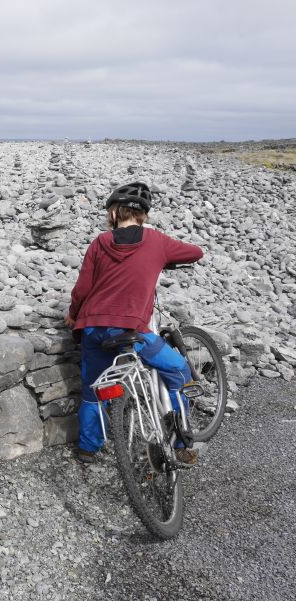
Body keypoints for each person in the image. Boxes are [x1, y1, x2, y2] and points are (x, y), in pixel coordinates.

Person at [63, 182, 203, 464]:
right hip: (132, 330)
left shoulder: (100, 243)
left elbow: (82, 289)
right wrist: (163, 260)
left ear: (113, 213)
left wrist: (73, 314)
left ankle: (88, 449)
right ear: (143, 216)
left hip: (94, 328)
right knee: (177, 369)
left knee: (94, 390)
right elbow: (196, 252)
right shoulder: (157, 242)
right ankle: (179, 439)